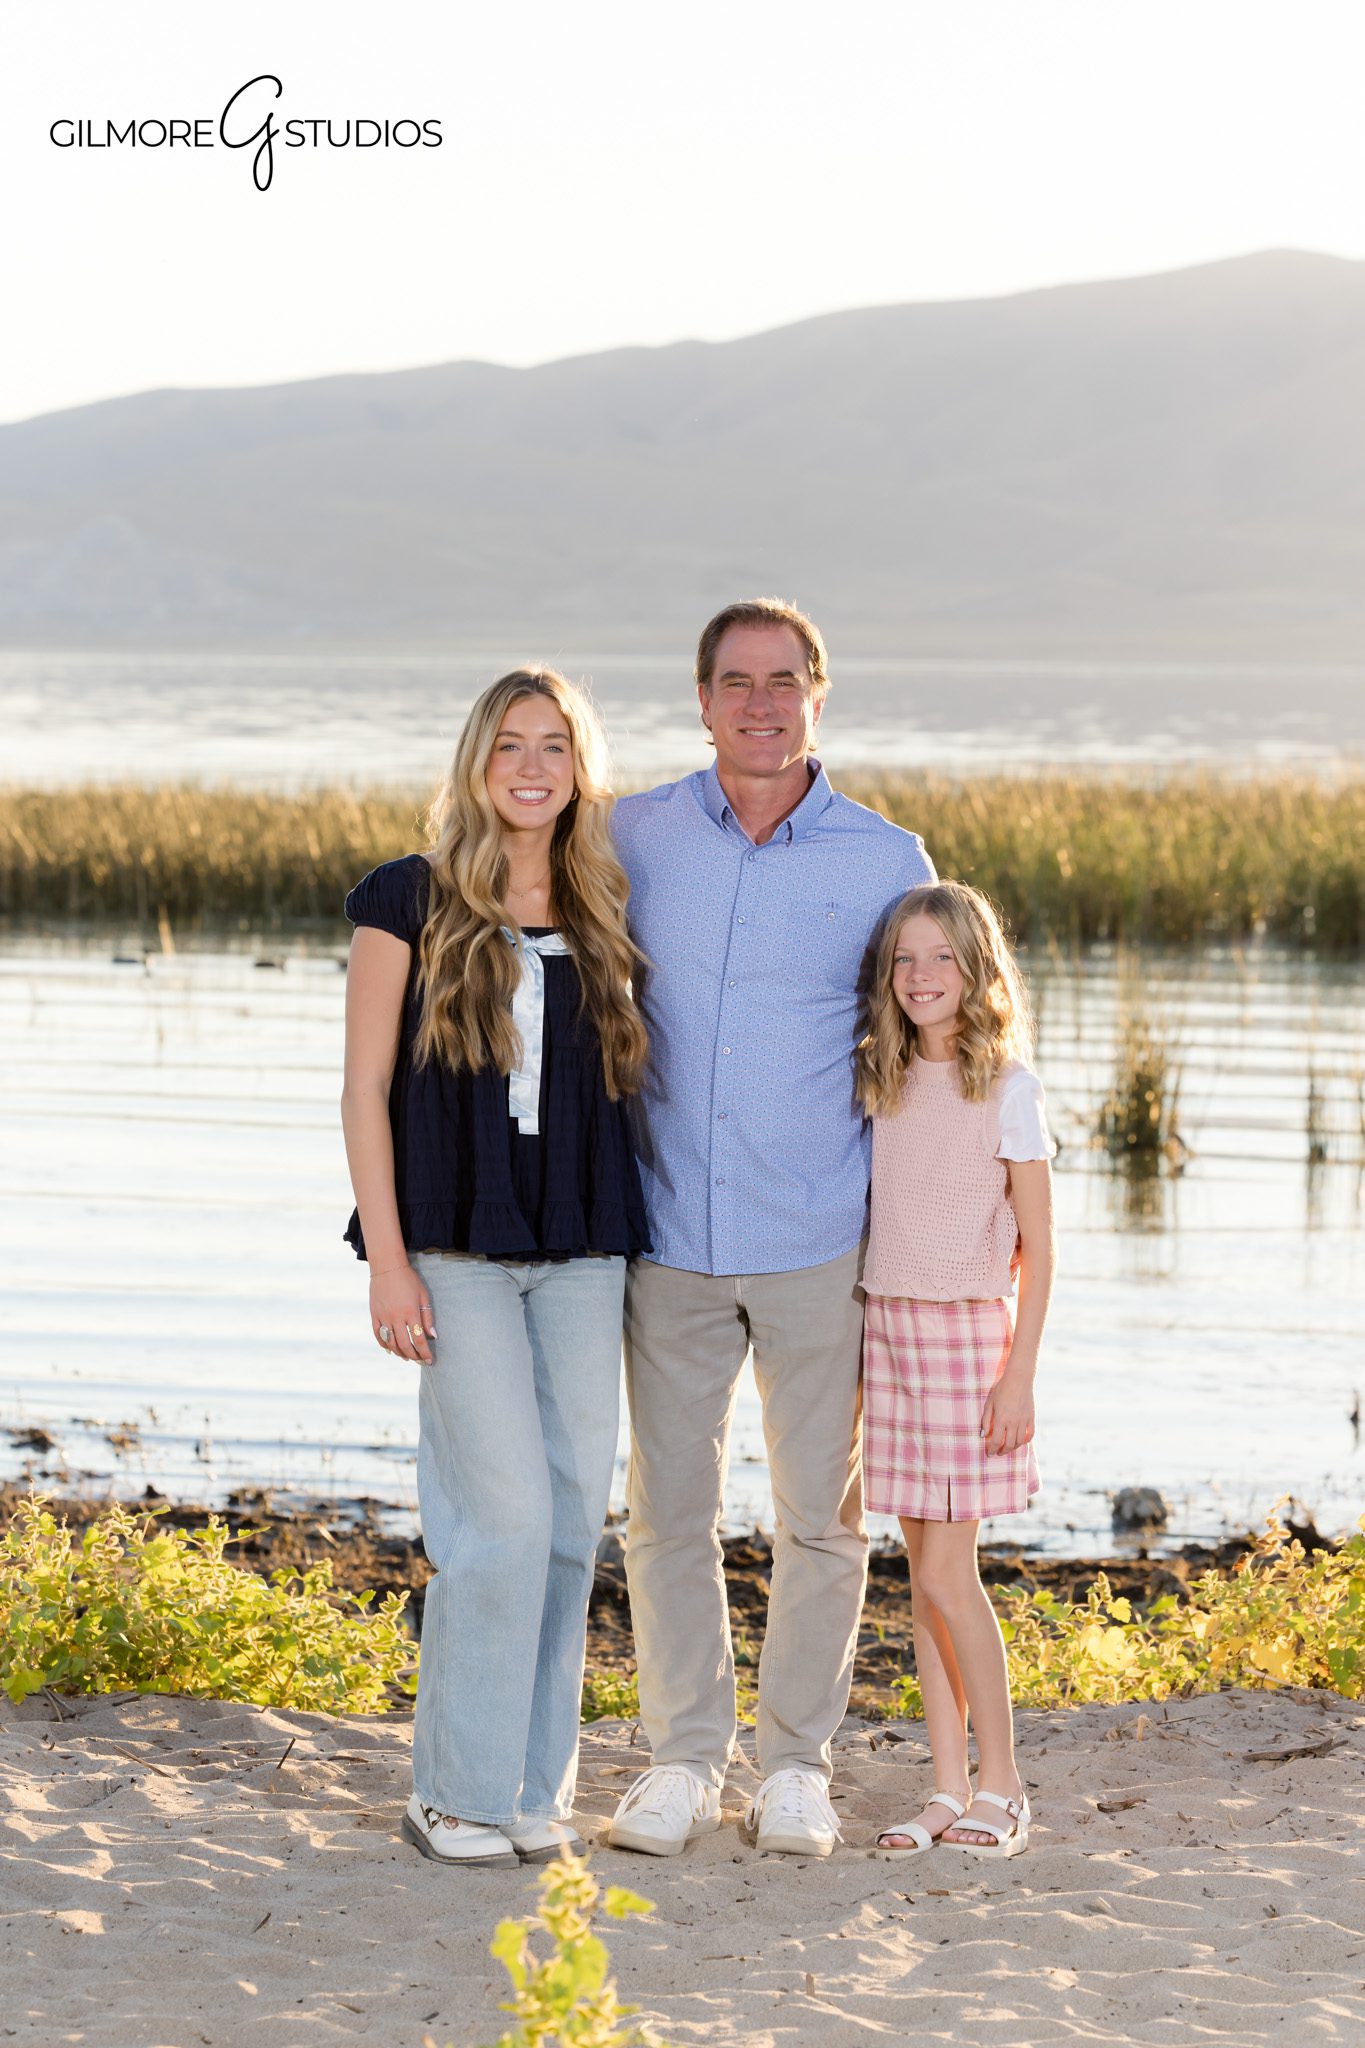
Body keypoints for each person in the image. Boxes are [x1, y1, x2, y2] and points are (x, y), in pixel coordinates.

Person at [605, 597, 934, 1858]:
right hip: (668, 1232)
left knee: (821, 1520)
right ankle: (685, 1757)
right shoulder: (631, 834)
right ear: (701, 699)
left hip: (818, 1237)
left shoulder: (887, 858)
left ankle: (795, 1764)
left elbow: (934, 1043)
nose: (760, 702)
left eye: (783, 679)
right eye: (735, 681)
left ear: (819, 691)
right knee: (667, 1514)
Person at [340, 668, 650, 1868]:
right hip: (455, 1251)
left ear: (580, 768)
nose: (532, 766)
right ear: (477, 761)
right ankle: (452, 1794)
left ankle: (532, 1788)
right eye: (511, 744)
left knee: (572, 1521)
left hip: (582, 1249)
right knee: (501, 1518)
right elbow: (365, 1090)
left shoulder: (606, 897)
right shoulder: (404, 899)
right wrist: (389, 1262)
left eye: (556, 747)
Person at [857, 880, 1056, 1862]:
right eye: (906, 959)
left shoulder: (1008, 1086)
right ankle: (945, 1782)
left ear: (980, 970)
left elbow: (1042, 1249)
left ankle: (1006, 1783)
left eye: (942, 958)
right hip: (887, 1335)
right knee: (919, 1579)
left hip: (969, 1342)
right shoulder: (884, 1078)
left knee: (948, 1568)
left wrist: (1019, 1376)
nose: (922, 976)